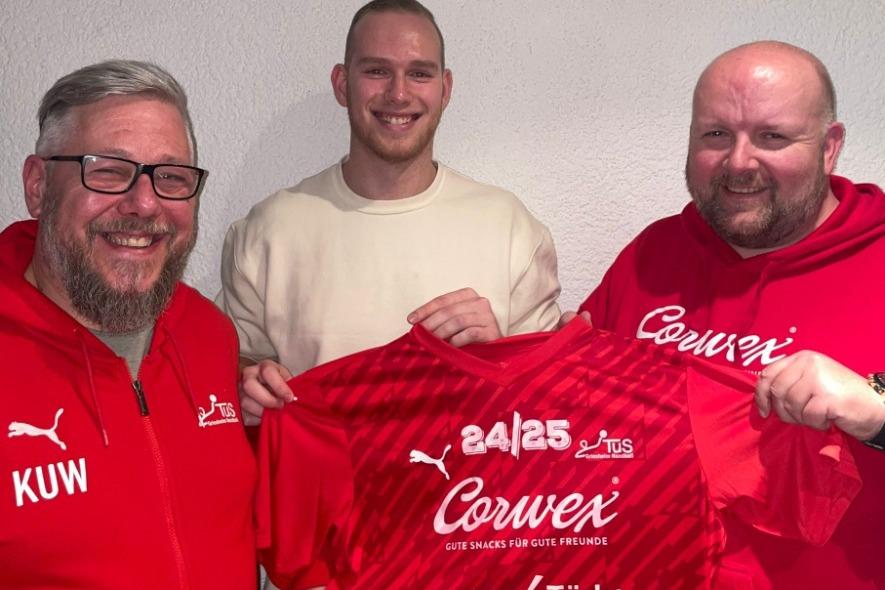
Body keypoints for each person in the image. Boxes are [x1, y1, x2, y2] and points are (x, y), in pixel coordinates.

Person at [578, 41, 885, 589]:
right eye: (716, 134)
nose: (739, 162)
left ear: (830, 147)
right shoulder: (652, 255)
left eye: (773, 136)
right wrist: (493, 357)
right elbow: (570, 406)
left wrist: (879, 408)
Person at [217, 0, 561, 425]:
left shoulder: (512, 229)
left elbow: (550, 410)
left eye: (419, 72)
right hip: (321, 489)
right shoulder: (267, 231)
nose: (398, 93)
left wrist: (499, 357)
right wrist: (247, 385)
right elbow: (230, 372)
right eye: (377, 70)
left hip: (467, 490)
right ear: (342, 85)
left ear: (445, 88)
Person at [0, 60, 256, 589]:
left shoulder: (211, 336)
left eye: (171, 177)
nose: (145, 204)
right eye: (109, 170)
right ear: (38, 185)